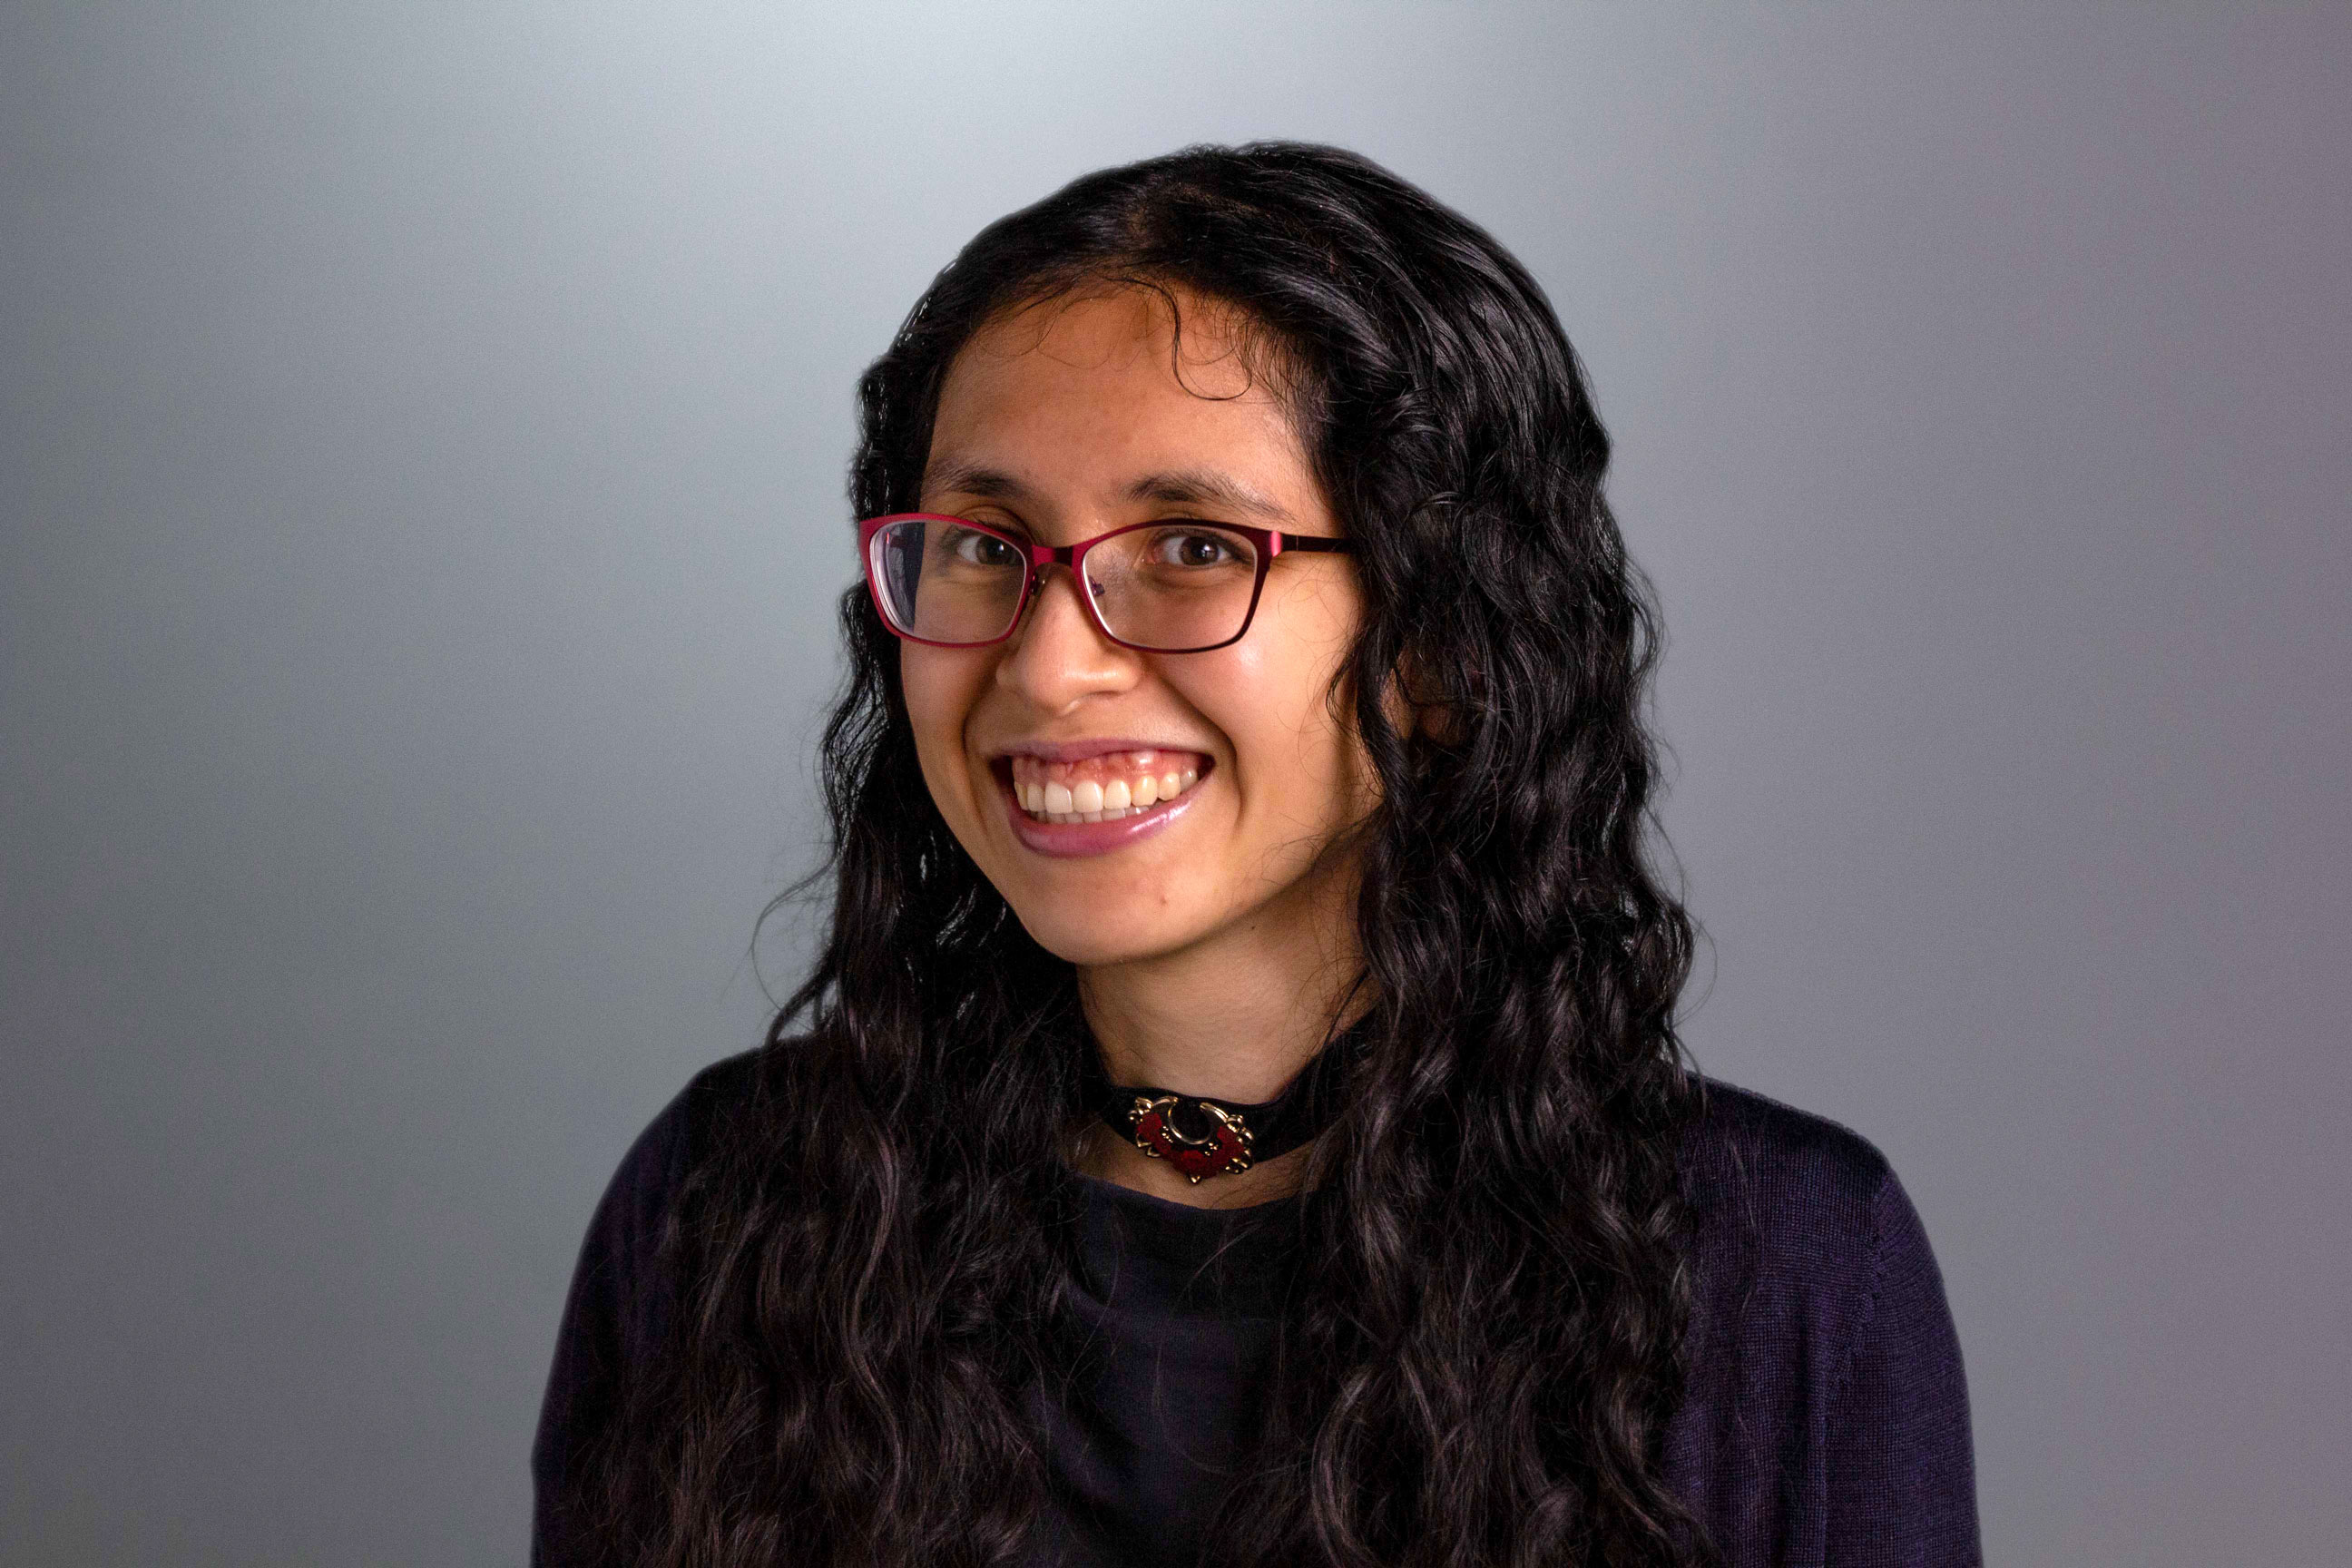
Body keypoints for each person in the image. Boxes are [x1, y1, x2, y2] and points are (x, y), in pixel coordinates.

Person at [532, 142, 1979, 1568]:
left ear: (1441, 646)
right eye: (983, 545)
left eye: (1195, 548)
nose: (1049, 669)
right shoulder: (722, 1213)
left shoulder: (1789, 1274)